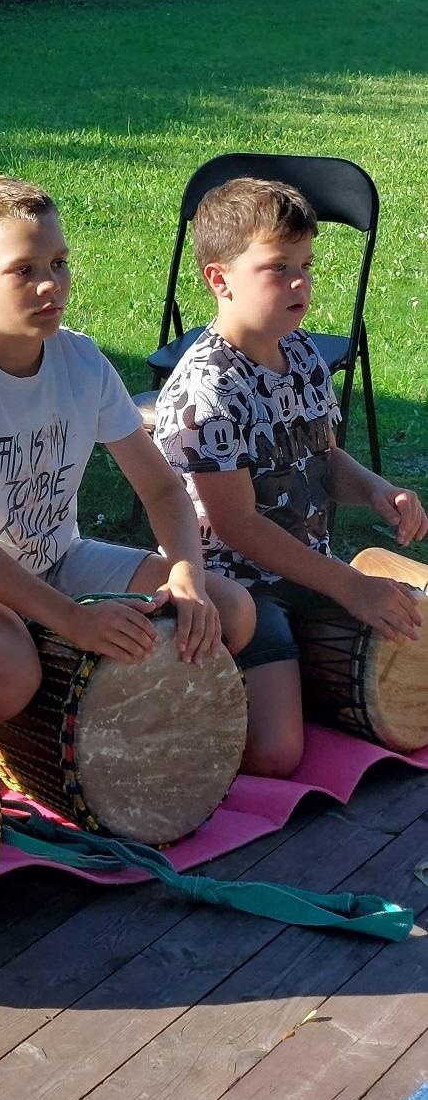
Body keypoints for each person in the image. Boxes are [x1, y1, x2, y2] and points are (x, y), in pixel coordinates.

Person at [0, 174, 255, 725]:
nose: (50, 285)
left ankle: (38, 652)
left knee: (230, 613)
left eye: (59, 263)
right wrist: (72, 622)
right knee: (7, 679)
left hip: (56, 558)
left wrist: (186, 578)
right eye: (23, 271)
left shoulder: (80, 360)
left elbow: (161, 485)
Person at [153, 176, 426, 777]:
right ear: (219, 280)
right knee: (277, 754)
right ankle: (174, 722)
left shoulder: (301, 353)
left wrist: (378, 491)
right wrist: (349, 587)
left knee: (417, 648)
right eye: (278, 268)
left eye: (306, 264)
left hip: (310, 571)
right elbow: (236, 526)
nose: (301, 282)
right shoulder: (208, 390)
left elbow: (324, 458)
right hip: (239, 592)